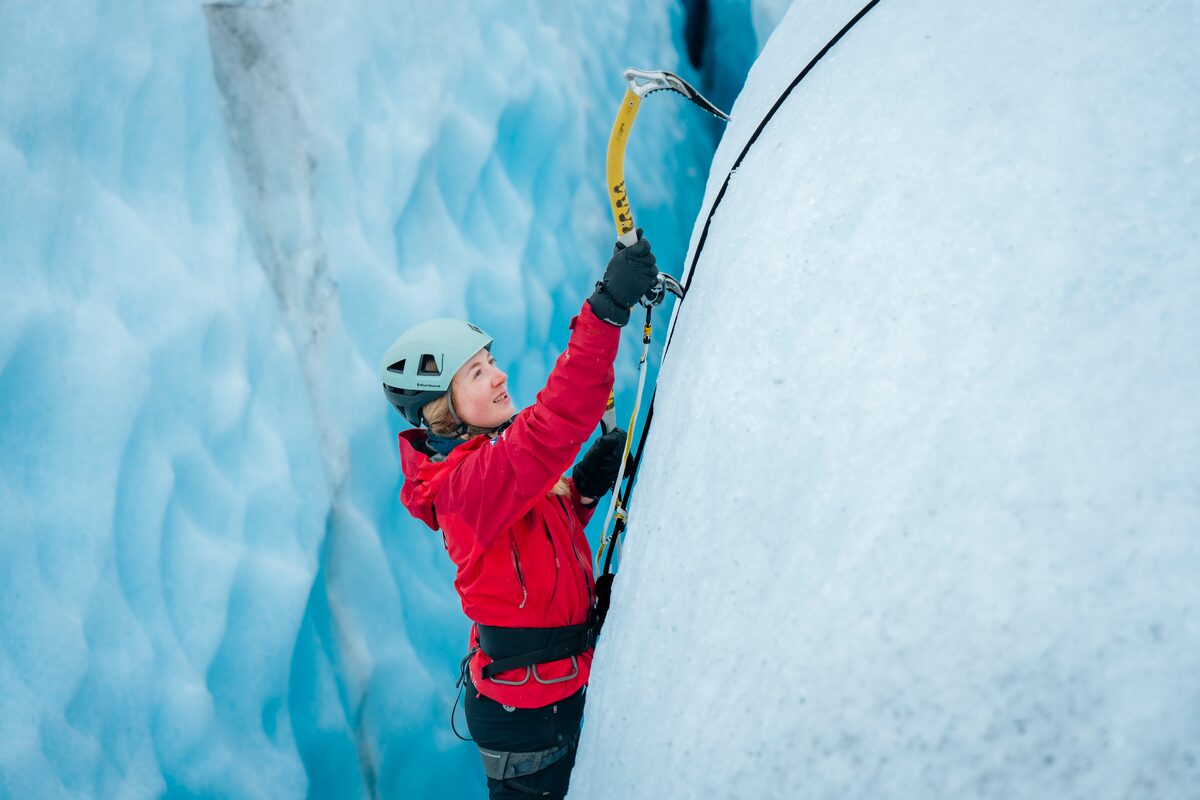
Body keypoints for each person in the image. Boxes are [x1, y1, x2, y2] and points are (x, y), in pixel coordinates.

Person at [380, 234, 660, 799]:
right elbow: (555, 422)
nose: (499, 376)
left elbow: (522, 556)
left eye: (491, 362)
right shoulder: (464, 486)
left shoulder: (480, 468)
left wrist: (579, 491)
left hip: (544, 694)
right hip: (529, 720)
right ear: (443, 410)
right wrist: (606, 312)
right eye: (477, 375)